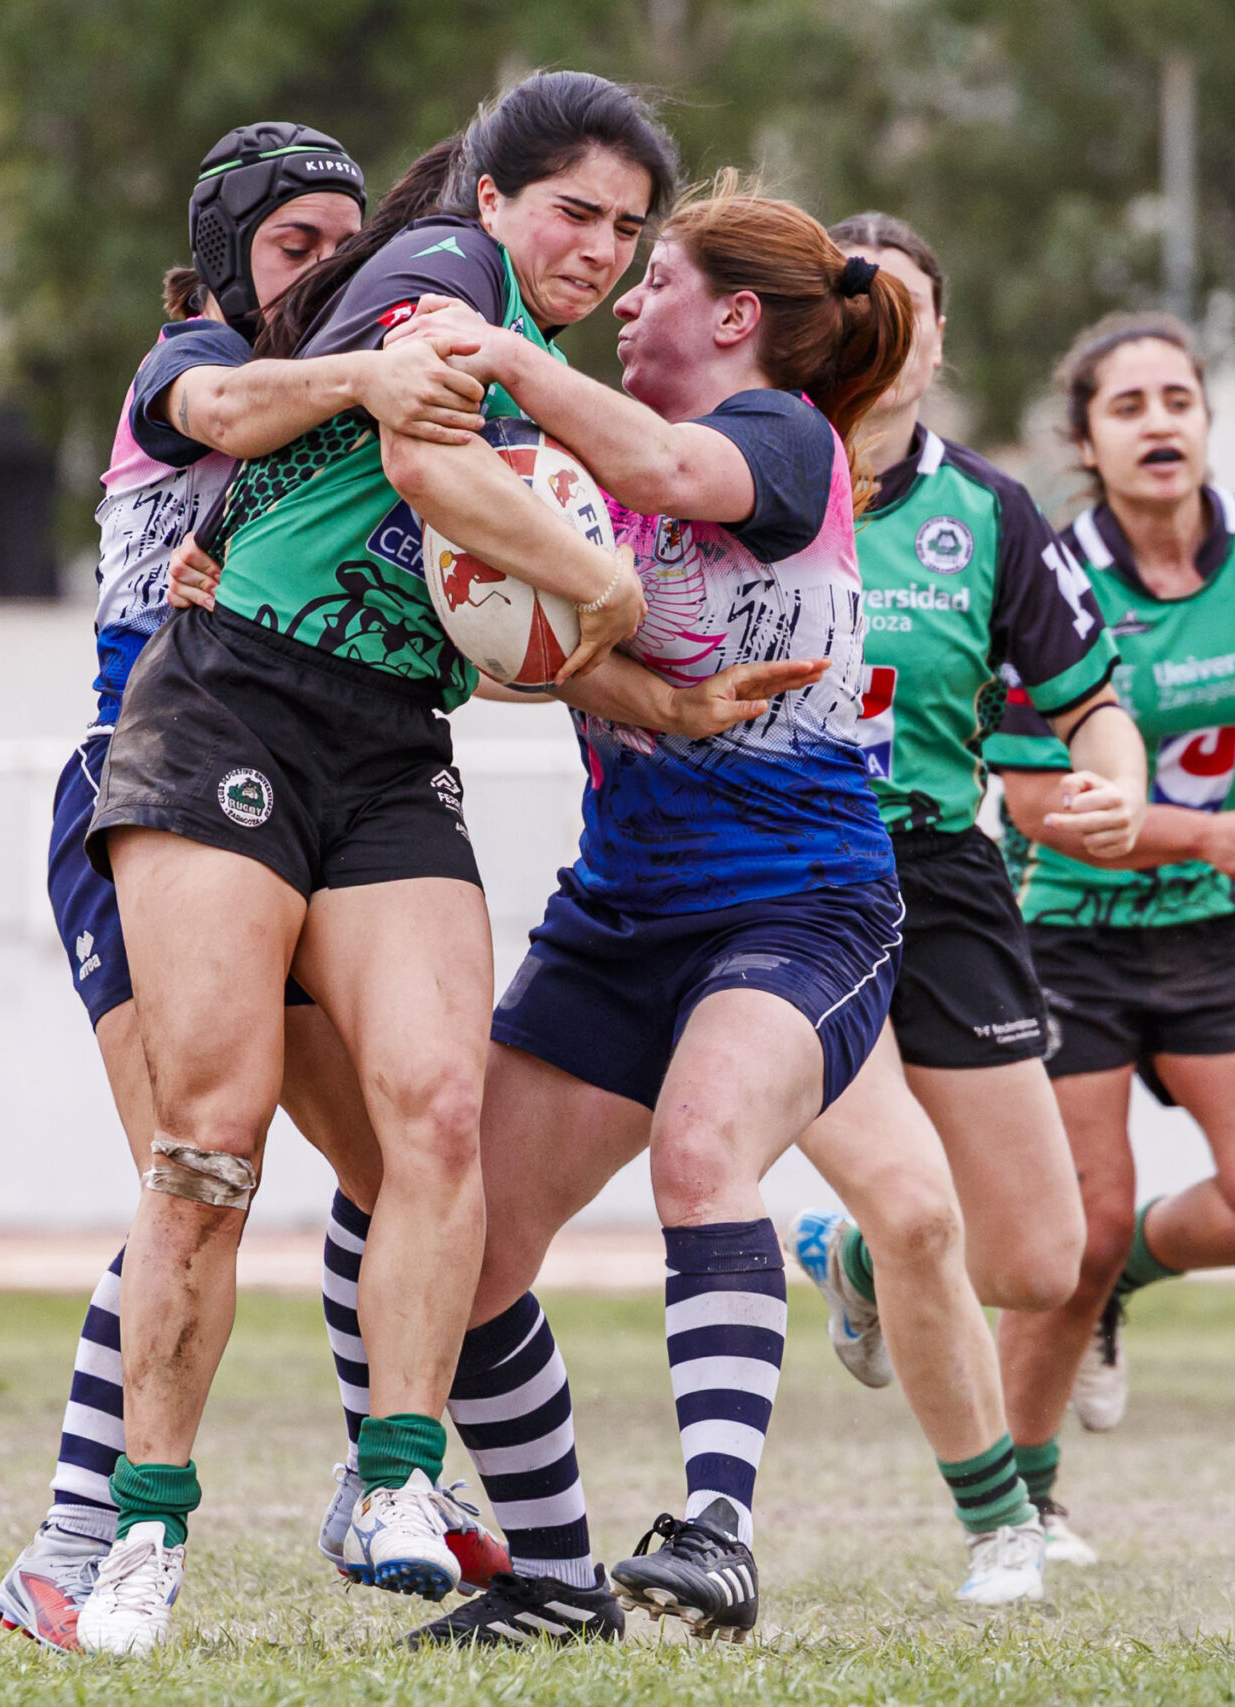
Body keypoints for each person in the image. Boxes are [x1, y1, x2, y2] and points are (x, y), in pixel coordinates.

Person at [71, 75, 681, 1657]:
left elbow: (505, 632)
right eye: (576, 211)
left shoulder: (535, 367)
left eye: (629, 228)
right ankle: (137, 1532)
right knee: (209, 1142)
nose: (602, 249)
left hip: (389, 739)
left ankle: (397, 1477)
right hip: (227, 706)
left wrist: (663, 691)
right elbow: (430, 477)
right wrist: (607, 585)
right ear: (489, 198)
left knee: (438, 1108)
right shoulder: (443, 289)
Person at [360, 177, 917, 1647]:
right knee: (464, 1237)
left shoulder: (785, 436)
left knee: (701, 1147)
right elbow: (508, 649)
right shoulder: (576, 474)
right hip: (622, 913)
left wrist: (502, 349)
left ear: (734, 315)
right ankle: (551, 1581)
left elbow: (678, 472)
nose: (623, 295)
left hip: (803, 902)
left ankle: (718, 1527)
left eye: (653, 273)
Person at [0, 121, 510, 1654]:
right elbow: (231, 405)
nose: (329, 269)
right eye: (297, 244)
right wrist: (360, 371)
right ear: (228, 264)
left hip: (316, 773)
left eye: (349, 241)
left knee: (421, 1149)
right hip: (145, 786)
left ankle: (440, 1494)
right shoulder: (200, 358)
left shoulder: (366, 390)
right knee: (193, 1157)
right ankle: (79, 1545)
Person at [776, 213, 1146, 1602]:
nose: (884, 329)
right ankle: (1000, 1524)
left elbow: (1091, 700)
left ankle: (845, 1256)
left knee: (1043, 1258)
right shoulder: (742, 474)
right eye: (852, 303)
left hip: (945, 874)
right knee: (920, 1205)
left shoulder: (986, 512)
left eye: (908, 308)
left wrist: (1114, 782)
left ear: (936, 335)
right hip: (785, 870)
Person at [985, 310, 1235, 1550]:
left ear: (1207, 421)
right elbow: (1036, 802)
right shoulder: (1048, 577)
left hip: (1216, 935)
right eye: (1128, 405)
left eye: (1179, 398)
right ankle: (1022, 1505)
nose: (1159, 421)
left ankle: (1122, 1288)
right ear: (1086, 442)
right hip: (1064, 930)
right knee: (1076, 1231)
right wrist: (1198, 834)